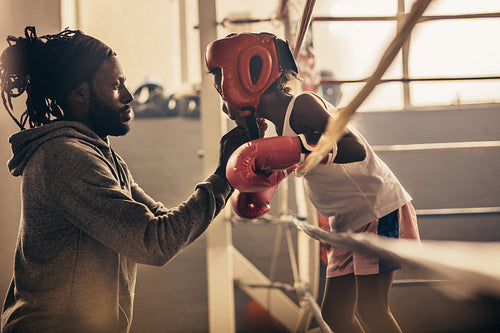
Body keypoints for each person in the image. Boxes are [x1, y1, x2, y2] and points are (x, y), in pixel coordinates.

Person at [0, 26, 251, 333]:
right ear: (80, 93)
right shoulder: (66, 158)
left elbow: (161, 222)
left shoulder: (98, 154)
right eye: (116, 85)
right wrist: (224, 175)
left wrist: (227, 175)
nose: (130, 95)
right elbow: (155, 242)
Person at [205, 32, 421, 333]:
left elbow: (352, 148)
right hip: (345, 222)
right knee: (336, 317)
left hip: (376, 209)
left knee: (372, 309)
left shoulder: (303, 105)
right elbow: (293, 161)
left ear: (248, 78)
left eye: (222, 88)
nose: (224, 99)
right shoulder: (277, 128)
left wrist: (302, 148)